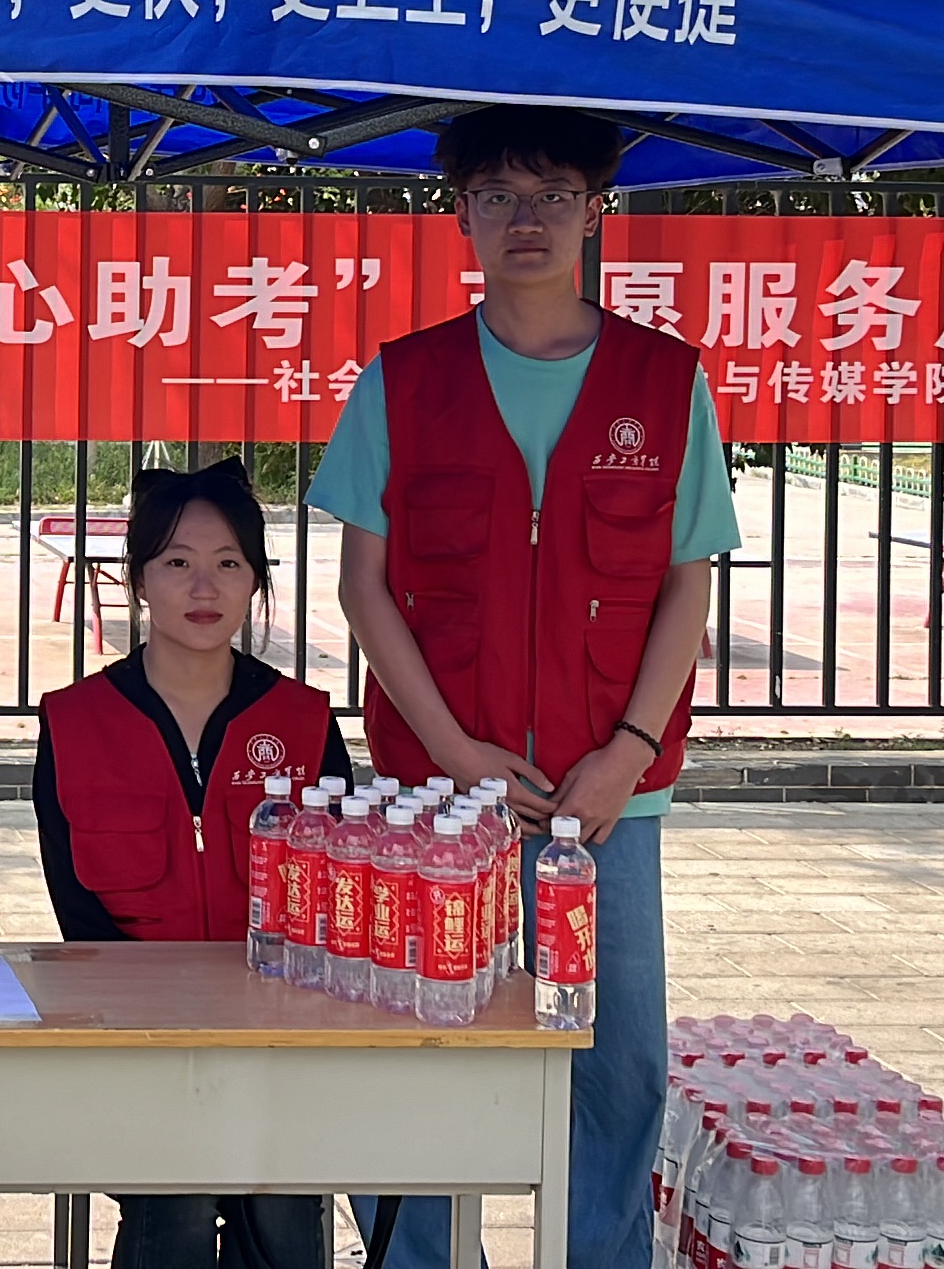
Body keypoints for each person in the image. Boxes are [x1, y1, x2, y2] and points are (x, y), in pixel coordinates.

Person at [306, 106, 738, 1269]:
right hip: (437, 803)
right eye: (497, 194)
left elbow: (686, 584)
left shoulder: (664, 380)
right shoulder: (405, 381)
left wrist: (627, 754)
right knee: (421, 1053)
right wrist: (454, 754)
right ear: (461, 213)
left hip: (608, 803)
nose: (526, 219)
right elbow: (363, 589)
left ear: (596, 210)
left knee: (613, 1067)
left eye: (553, 193)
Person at [34, 456, 349, 1269]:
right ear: (138, 579)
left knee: (284, 1214)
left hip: (283, 1036)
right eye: (177, 563)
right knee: (169, 1203)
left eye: (228, 564)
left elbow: (337, 891)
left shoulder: (304, 721)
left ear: (255, 581)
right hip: (141, 1040)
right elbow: (80, 917)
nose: (203, 588)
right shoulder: (75, 722)